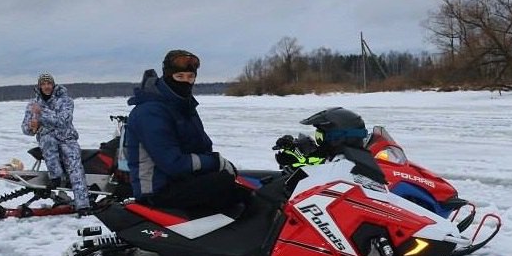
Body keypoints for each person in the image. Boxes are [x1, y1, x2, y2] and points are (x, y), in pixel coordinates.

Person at [125, 49, 250, 213]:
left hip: (181, 181)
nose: (186, 82)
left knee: (247, 191)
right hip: (157, 190)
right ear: (167, 77)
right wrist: (215, 162)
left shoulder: (183, 106)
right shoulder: (150, 112)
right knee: (226, 185)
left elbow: (202, 146)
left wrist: (216, 163)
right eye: (180, 76)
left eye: (190, 77)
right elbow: (172, 162)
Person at [21, 73, 92, 216]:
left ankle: (83, 206)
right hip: (48, 142)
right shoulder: (32, 104)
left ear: (53, 85)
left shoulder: (65, 101)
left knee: (76, 169)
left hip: (67, 139)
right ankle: (56, 177)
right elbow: (25, 128)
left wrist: (41, 113)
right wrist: (32, 126)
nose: (46, 86)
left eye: (49, 83)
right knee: (47, 140)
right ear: (39, 87)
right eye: (43, 84)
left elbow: (63, 121)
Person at [272, 107, 385, 186]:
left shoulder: (352, 162)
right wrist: (292, 152)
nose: (319, 142)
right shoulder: (335, 158)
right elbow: (311, 163)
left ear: (338, 137)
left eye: (320, 136)